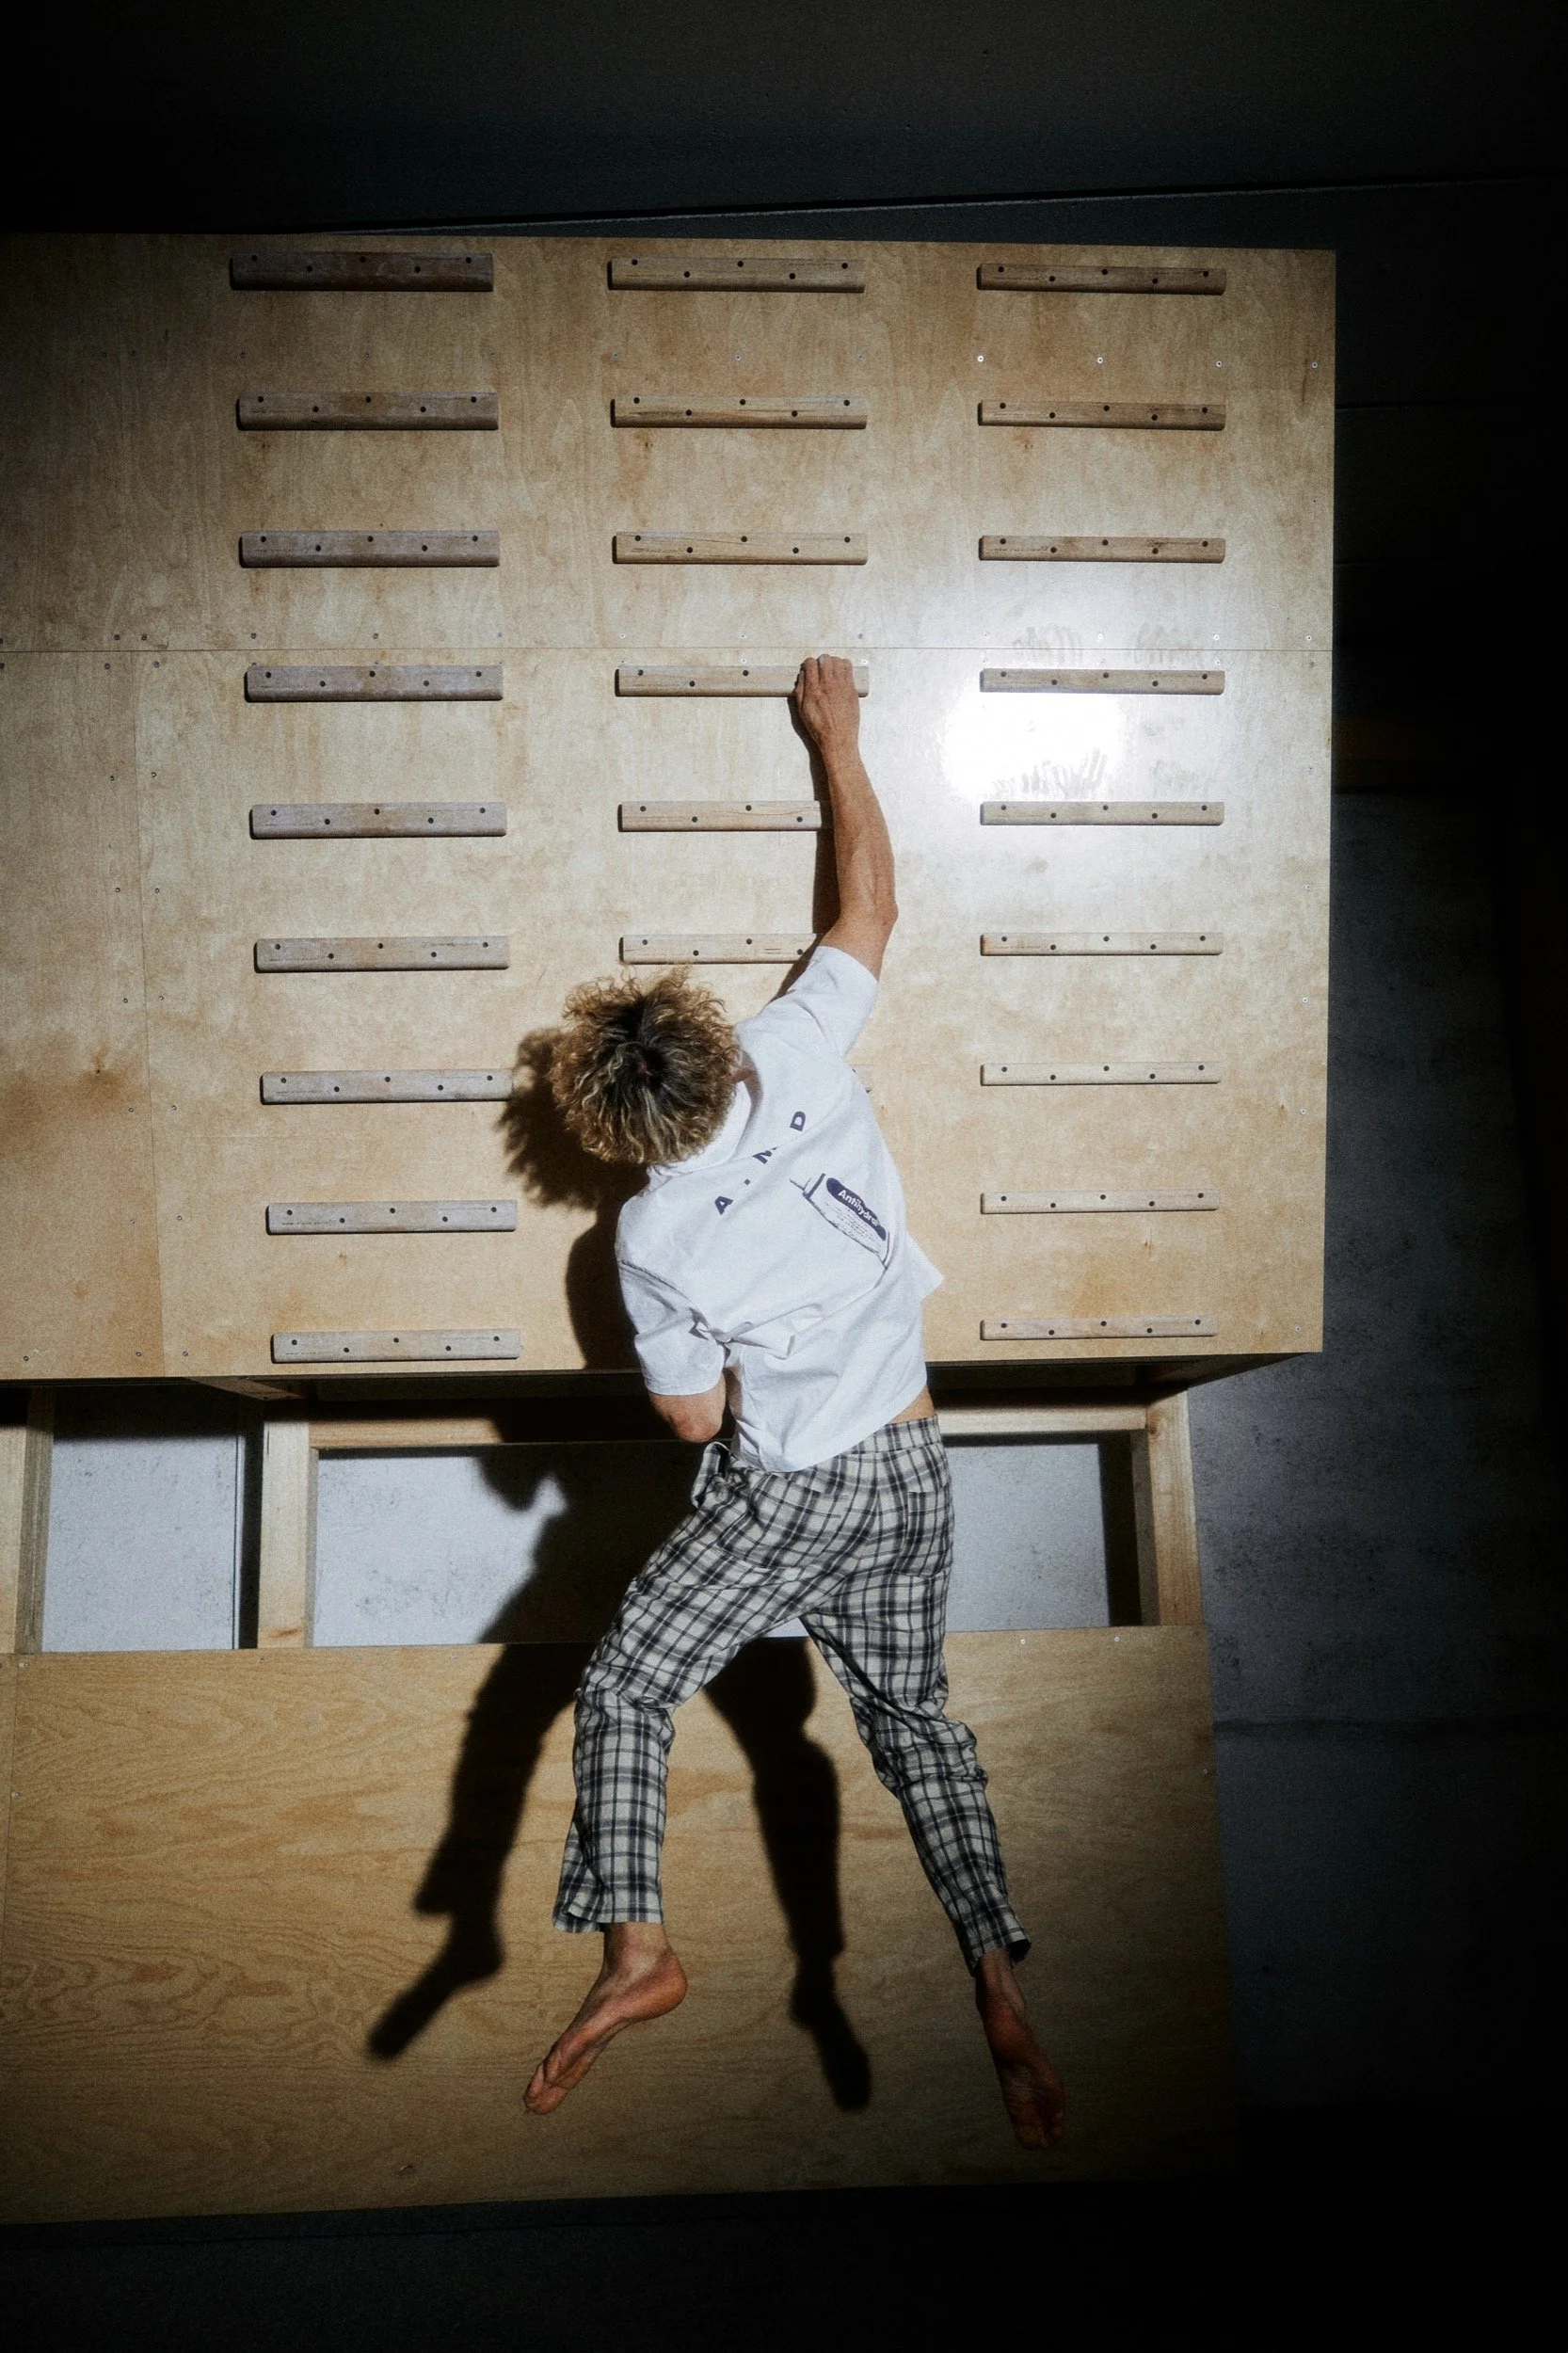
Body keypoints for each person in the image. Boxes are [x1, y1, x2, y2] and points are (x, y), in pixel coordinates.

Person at [524, 654, 1064, 2149]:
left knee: (630, 1688)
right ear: (705, 1047)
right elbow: (868, 906)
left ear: (609, 1127)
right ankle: (995, 1978)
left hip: (793, 1489)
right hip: (912, 1464)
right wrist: (837, 735)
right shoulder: (792, 1046)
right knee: (918, 1731)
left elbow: (697, 1428)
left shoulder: (646, 1235)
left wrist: (700, 1364)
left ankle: (640, 1951)